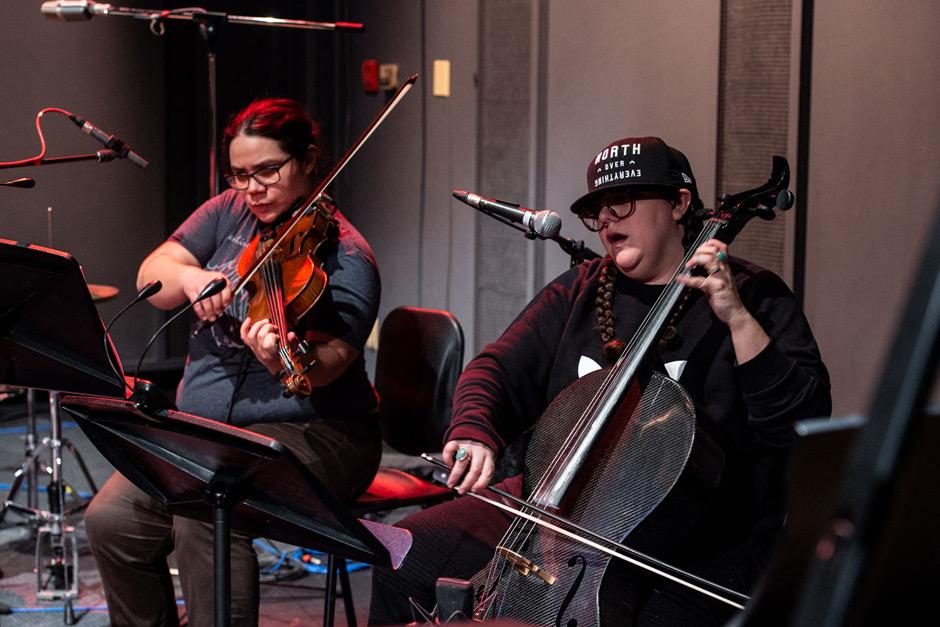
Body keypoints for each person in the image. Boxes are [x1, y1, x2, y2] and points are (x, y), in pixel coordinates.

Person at [369, 136, 831, 625]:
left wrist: (737, 319)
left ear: (679, 204)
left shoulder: (754, 295)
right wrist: (473, 431)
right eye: (598, 210)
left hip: (703, 531)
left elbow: (800, 422)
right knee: (405, 555)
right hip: (561, 508)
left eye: (623, 204)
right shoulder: (581, 290)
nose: (607, 219)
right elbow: (498, 370)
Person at [85, 98, 383, 627]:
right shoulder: (228, 211)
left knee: (207, 506)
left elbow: (327, 364)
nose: (253, 189)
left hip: (319, 432)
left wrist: (280, 359)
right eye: (240, 174)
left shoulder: (347, 256)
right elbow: (154, 273)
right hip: (205, 431)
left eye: (268, 171)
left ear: (309, 159)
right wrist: (191, 279)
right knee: (112, 518)